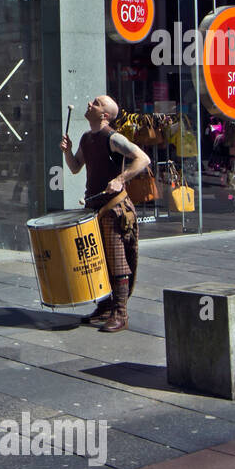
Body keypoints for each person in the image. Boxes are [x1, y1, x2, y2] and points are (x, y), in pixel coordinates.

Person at [60, 94, 148, 333]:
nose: (90, 104)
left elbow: (143, 158)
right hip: (94, 208)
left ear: (105, 115)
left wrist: (120, 179)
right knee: (98, 260)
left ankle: (121, 312)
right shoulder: (87, 138)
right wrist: (67, 152)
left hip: (114, 208)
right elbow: (76, 167)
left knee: (117, 260)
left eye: (96, 103)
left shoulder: (113, 137)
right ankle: (105, 305)